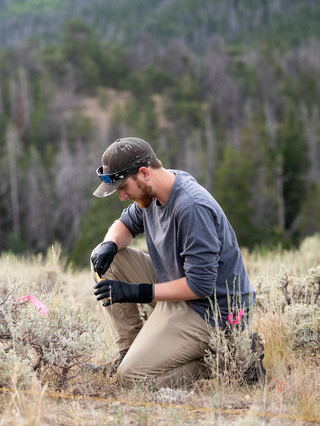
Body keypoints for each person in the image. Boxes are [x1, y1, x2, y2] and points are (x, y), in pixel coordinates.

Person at [89, 137, 259, 388]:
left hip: (213, 310)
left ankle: (229, 359)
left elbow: (200, 286)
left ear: (144, 173)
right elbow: (124, 224)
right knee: (106, 258)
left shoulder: (191, 206)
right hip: (179, 288)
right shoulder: (153, 191)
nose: (122, 196)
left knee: (132, 378)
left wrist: (136, 292)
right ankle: (129, 352)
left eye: (123, 187)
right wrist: (109, 244)